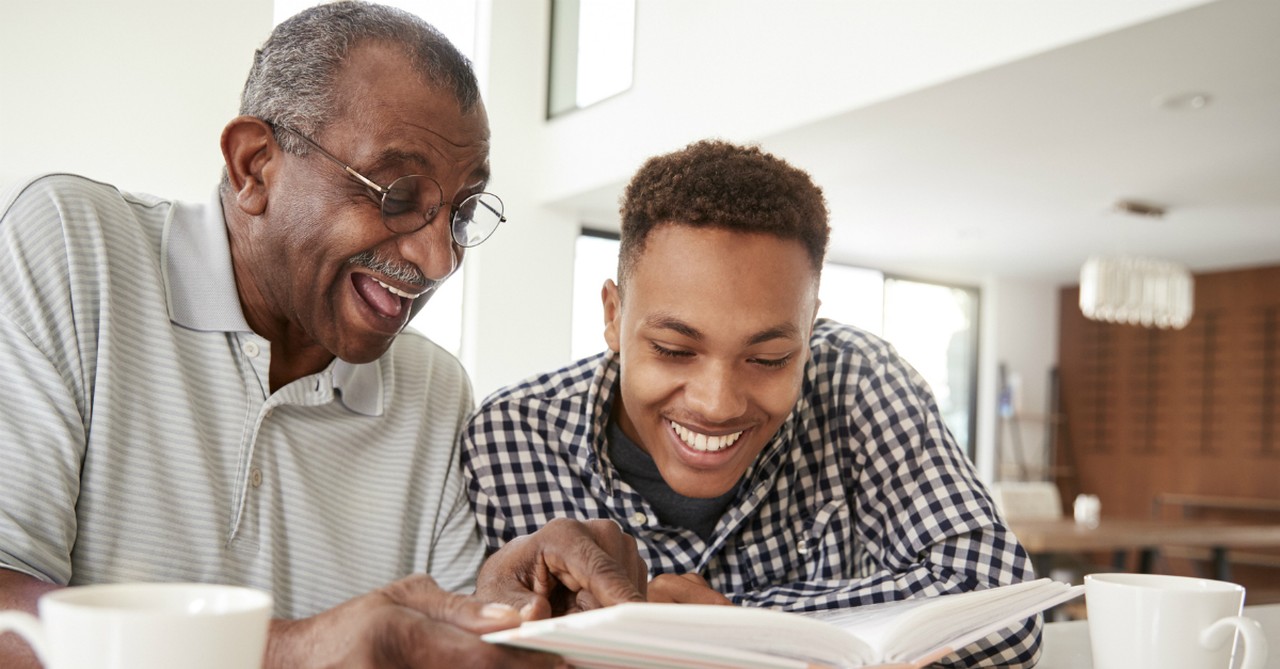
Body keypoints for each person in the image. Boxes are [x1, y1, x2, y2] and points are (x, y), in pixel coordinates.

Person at [0, 3, 646, 668]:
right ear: (255, 166)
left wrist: (508, 610)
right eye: (397, 195)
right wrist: (292, 652)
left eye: (460, 214)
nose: (439, 260)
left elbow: (431, 643)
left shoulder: (431, 390)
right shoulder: (70, 249)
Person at [462, 140, 1043, 666]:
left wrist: (728, 629)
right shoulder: (510, 438)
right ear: (613, 316)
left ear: (809, 329)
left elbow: (1004, 612)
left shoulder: (858, 378)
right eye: (673, 349)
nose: (717, 404)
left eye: (767, 359)